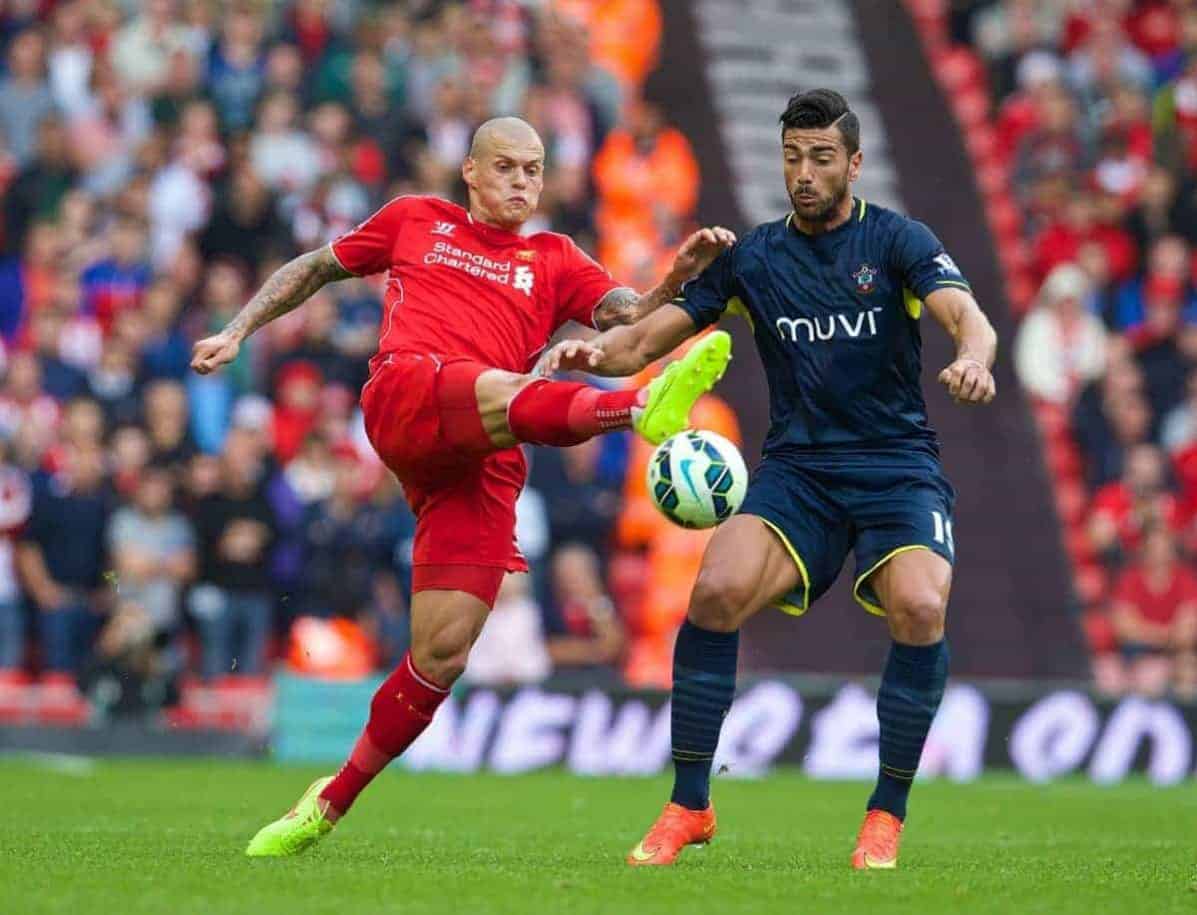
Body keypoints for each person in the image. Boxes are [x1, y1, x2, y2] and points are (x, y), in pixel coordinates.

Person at [190, 115, 735, 856]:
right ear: (471, 173)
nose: (520, 182)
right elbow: (313, 267)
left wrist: (674, 277)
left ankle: (326, 804)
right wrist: (237, 330)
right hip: (410, 398)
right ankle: (639, 409)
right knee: (503, 385)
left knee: (440, 654)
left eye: (533, 169)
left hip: (484, 453)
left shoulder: (554, 258)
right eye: (505, 167)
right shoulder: (417, 219)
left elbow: (633, 316)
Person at [540, 89, 998, 869]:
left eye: (820, 158)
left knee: (920, 606)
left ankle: (884, 815)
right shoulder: (752, 257)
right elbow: (639, 342)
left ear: (852, 163)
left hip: (895, 466)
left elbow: (969, 318)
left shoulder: (896, 241)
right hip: (800, 470)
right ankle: (689, 803)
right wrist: (594, 354)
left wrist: (972, 360)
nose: (804, 173)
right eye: (791, 158)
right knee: (713, 592)